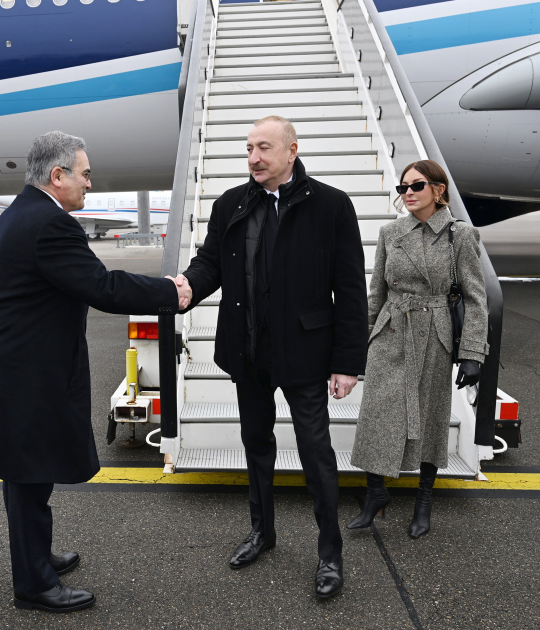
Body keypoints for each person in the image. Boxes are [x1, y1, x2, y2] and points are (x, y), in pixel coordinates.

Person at [0, 131, 190, 613]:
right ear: (56, 175)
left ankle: (36, 559)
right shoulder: (48, 223)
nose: (90, 183)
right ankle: (34, 584)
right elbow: (102, 287)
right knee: (26, 478)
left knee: (31, 476)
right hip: (22, 376)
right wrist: (170, 291)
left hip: (11, 370)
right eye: (84, 174)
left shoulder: (21, 215)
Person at [172, 115, 368, 599]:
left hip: (305, 353)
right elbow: (210, 263)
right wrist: (187, 287)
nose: (254, 157)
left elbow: (349, 289)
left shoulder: (330, 205)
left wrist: (348, 361)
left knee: (315, 452)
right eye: (248, 149)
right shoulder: (232, 204)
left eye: (263, 147)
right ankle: (263, 532)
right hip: (248, 350)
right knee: (255, 445)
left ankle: (330, 551)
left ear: (291, 151)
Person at [348, 160, 488, 538]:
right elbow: (376, 291)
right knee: (377, 412)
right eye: (403, 187)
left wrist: (473, 353)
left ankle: (424, 499)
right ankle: (375, 492)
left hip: (436, 334)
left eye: (417, 185)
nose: (407, 193)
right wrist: (359, 343)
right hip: (391, 329)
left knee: (431, 416)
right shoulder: (390, 232)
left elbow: (476, 299)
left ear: (439, 190)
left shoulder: (460, 235)